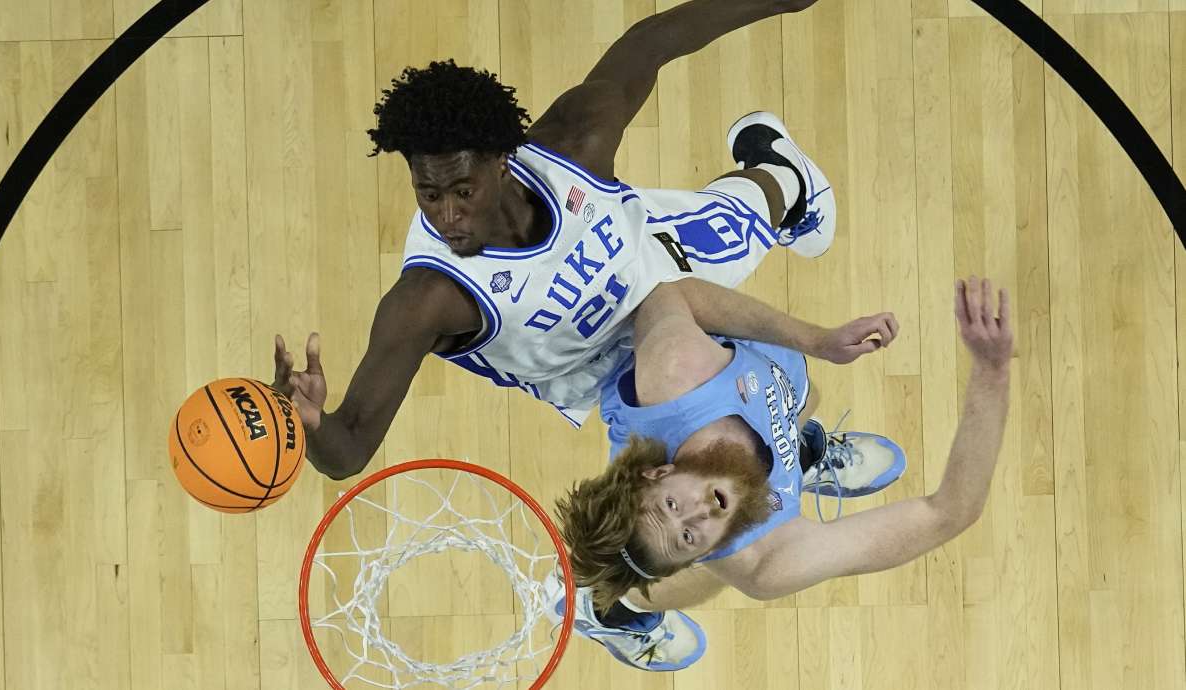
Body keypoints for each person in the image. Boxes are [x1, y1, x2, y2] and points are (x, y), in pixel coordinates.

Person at [270, 0, 848, 481]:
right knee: (708, 470)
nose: (447, 215)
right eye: (428, 194)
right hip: (602, 371)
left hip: (656, 257)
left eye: (462, 192)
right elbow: (347, 453)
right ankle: (798, 452)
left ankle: (784, 171)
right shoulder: (427, 298)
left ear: (502, 162)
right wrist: (310, 425)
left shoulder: (576, 141)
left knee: (768, 202)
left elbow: (651, 41)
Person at [551, 276, 1013, 671]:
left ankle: (799, 456)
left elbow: (675, 295)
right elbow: (949, 513)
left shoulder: (677, 371)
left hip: (739, 377)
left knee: (804, 401)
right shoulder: (763, 562)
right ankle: (614, 611)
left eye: (672, 505)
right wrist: (991, 372)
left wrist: (817, 340)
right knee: (703, 575)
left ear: (658, 473)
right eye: (690, 538)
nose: (699, 512)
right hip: (762, 427)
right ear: (702, 551)